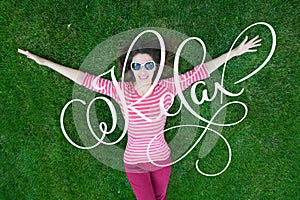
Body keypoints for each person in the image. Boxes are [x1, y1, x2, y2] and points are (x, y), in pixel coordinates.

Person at [18, 35, 261, 200]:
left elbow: (200, 72)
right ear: (130, 68)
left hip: (162, 159)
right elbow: (84, 79)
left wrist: (236, 53)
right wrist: (44, 62)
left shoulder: (168, 87)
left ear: (156, 67)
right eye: (137, 66)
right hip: (134, 162)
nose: (143, 71)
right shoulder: (120, 90)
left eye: (148, 66)